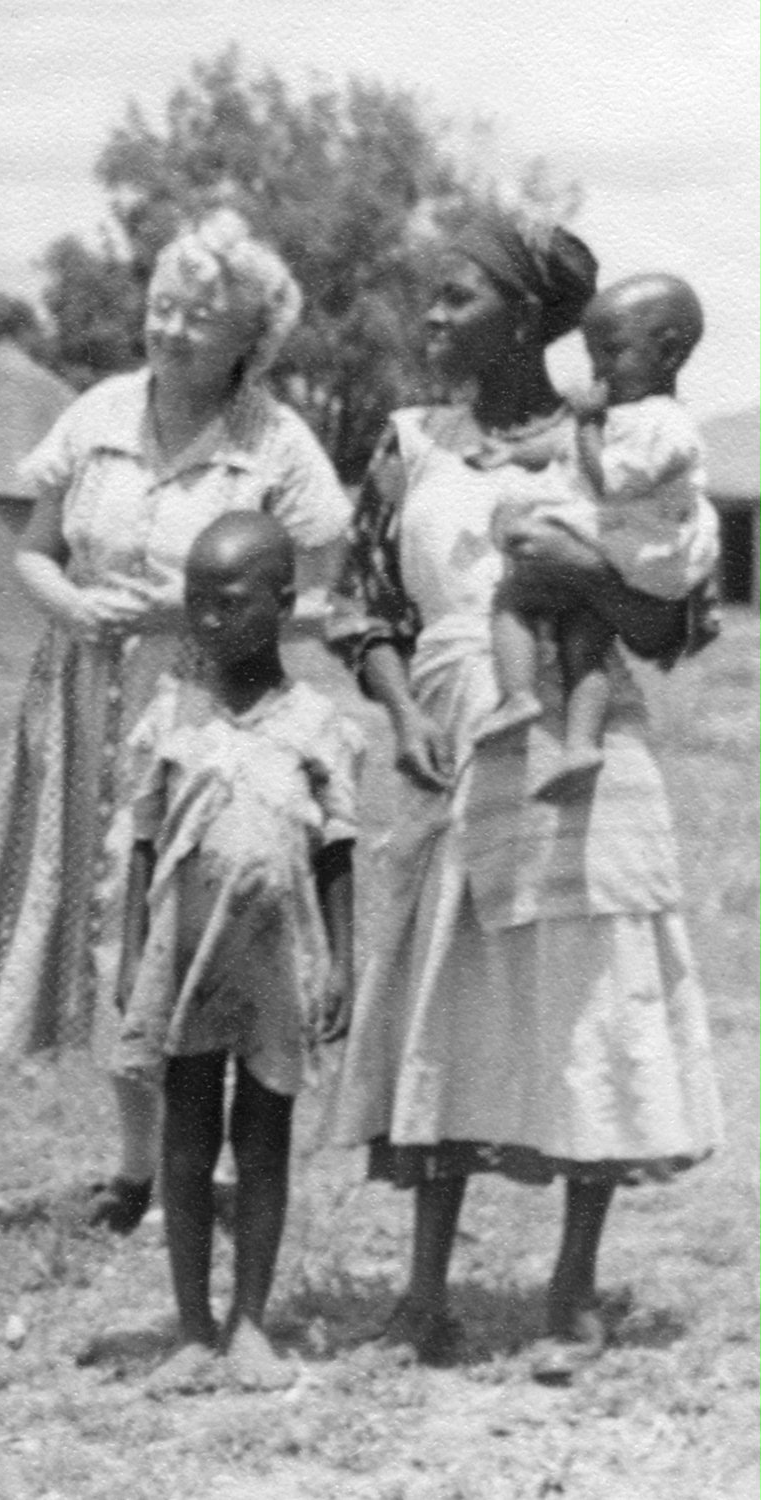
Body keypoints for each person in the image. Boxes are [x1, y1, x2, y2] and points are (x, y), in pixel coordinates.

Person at [323, 215, 722, 1380]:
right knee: (446, 993)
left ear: (528, 316)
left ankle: (571, 1285)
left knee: (587, 994)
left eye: (456, 298)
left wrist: (579, 570)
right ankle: (423, 1294)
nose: (432, 319)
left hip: (589, 742)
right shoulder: (406, 445)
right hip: (456, 732)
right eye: (430, 300)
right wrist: (400, 716)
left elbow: (669, 626)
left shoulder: (616, 439)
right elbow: (362, 611)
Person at [0, 209, 353, 1235]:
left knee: (185, 929)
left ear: (249, 335)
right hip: (85, 703)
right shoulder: (99, 414)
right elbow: (32, 547)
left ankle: (194, 1171)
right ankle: (136, 1168)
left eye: (198, 317)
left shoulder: (277, 445)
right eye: (161, 308)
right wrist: (68, 604)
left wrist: (178, 611)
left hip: (212, 711)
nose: (169, 331)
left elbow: (322, 592)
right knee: (106, 933)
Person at [111, 513, 359, 1393]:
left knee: (263, 1137)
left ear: (284, 604)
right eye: (194, 602)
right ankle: (190, 1325)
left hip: (276, 963)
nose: (208, 619)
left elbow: (336, 852)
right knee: (186, 1141)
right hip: (186, 960)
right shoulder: (171, 717)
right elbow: (142, 840)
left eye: (231, 601)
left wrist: (343, 960)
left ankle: (251, 1321)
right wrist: (136, 950)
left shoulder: (318, 725)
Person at [482, 273, 709, 800]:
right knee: (583, 643)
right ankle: (582, 746)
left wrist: (587, 424)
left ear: (669, 353)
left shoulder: (666, 427)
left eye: (611, 352)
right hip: (624, 556)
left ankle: (516, 695)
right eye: (592, 354)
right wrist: (516, 450)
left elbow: (607, 480)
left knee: (514, 590)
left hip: (626, 549)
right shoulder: (632, 416)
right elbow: (558, 446)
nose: (598, 369)